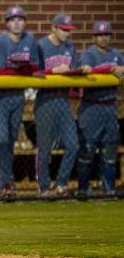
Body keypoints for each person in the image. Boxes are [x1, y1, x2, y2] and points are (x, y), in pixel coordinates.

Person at [0, 6, 40, 199]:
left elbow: (35, 65)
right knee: (1, 140)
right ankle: (7, 181)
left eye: (20, 19)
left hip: (17, 97)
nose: (17, 23)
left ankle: (5, 185)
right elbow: (0, 70)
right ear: (7, 23)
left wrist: (21, 69)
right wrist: (23, 69)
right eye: (13, 19)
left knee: (10, 142)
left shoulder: (29, 40)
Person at [33, 14, 84, 196]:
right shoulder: (40, 46)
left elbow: (76, 67)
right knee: (45, 147)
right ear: (53, 28)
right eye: (63, 29)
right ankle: (44, 186)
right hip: (45, 99)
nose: (67, 33)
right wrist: (52, 71)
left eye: (69, 30)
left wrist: (83, 69)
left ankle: (61, 183)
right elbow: (33, 72)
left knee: (73, 144)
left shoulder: (70, 47)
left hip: (63, 100)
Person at [77, 21, 124, 195]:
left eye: (106, 35)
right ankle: (83, 188)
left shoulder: (117, 55)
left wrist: (121, 69)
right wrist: (110, 69)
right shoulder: (88, 55)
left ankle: (109, 188)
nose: (103, 38)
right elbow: (86, 71)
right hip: (91, 107)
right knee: (87, 150)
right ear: (94, 37)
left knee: (110, 150)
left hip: (110, 107)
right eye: (100, 35)